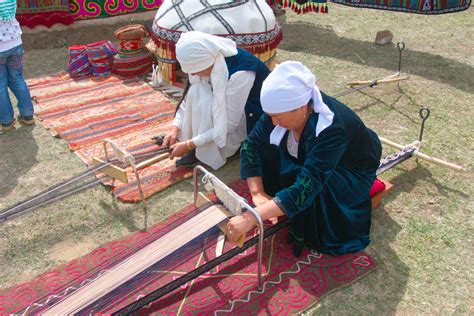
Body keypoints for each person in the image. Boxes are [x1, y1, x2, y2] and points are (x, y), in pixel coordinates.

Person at [227, 61, 382, 256]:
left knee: (320, 190)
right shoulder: (282, 108)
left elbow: (307, 187)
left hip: (349, 167)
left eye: (278, 117)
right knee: (266, 148)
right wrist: (257, 192)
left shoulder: (332, 129)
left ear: (301, 108)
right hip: (317, 157)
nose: (274, 122)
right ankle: (277, 201)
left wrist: (252, 217)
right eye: (271, 116)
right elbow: (251, 145)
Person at [162, 31, 271, 170]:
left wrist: (189, 144)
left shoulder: (241, 73)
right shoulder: (208, 61)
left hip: (250, 116)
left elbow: (228, 125)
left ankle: (216, 149)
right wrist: (175, 128)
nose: (193, 74)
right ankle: (197, 147)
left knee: (206, 102)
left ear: (207, 61)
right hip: (227, 111)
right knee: (197, 91)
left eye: (195, 69)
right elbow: (187, 100)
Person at [0, 0, 35, 134]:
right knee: (17, 78)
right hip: (15, 43)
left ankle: (6, 121)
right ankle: (27, 115)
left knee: (0, 84)